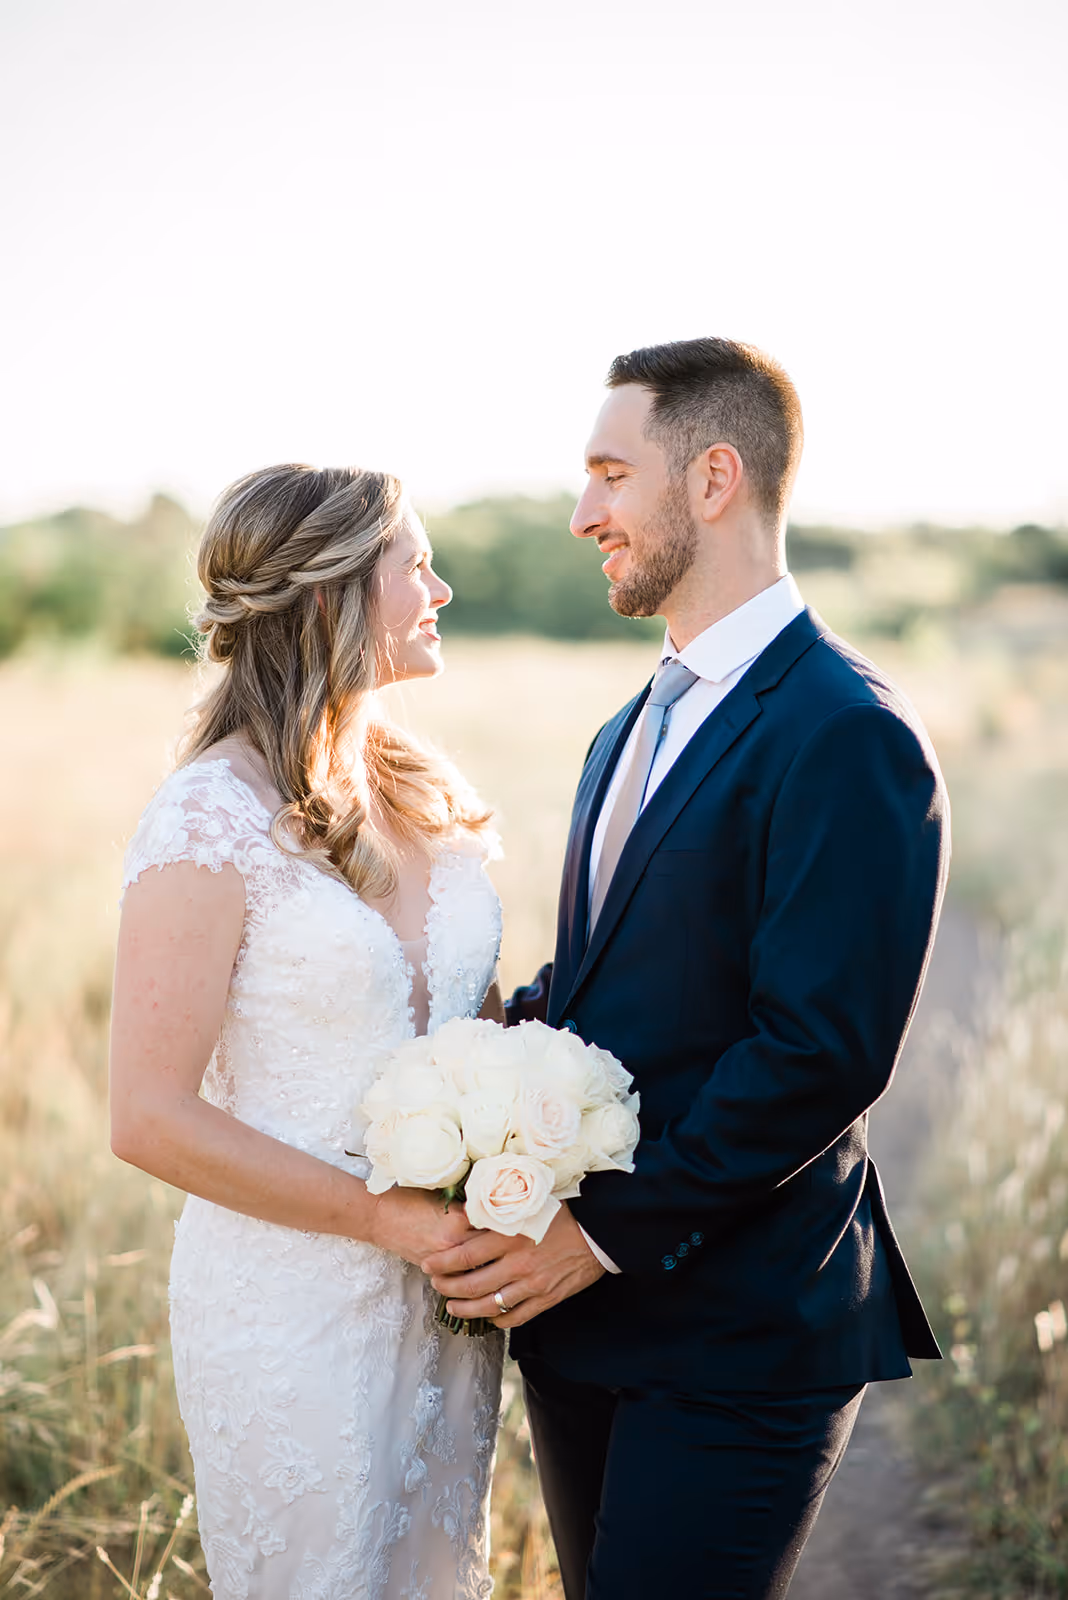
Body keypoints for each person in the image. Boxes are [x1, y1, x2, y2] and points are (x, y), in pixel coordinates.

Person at [425, 338, 950, 1598]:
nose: (581, 513)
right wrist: (482, 1057)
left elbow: (820, 1050)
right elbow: (627, 983)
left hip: (740, 1333)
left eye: (612, 473)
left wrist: (596, 1234)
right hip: (587, 1327)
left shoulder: (848, 732)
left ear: (715, 478)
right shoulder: (630, 724)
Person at [110, 465, 504, 1599]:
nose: (441, 585)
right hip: (292, 1303)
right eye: (413, 563)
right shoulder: (207, 817)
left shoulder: (428, 791)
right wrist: (390, 1222)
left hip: (447, 1304)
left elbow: (473, 1033)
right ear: (331, 593)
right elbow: (147, 1118)